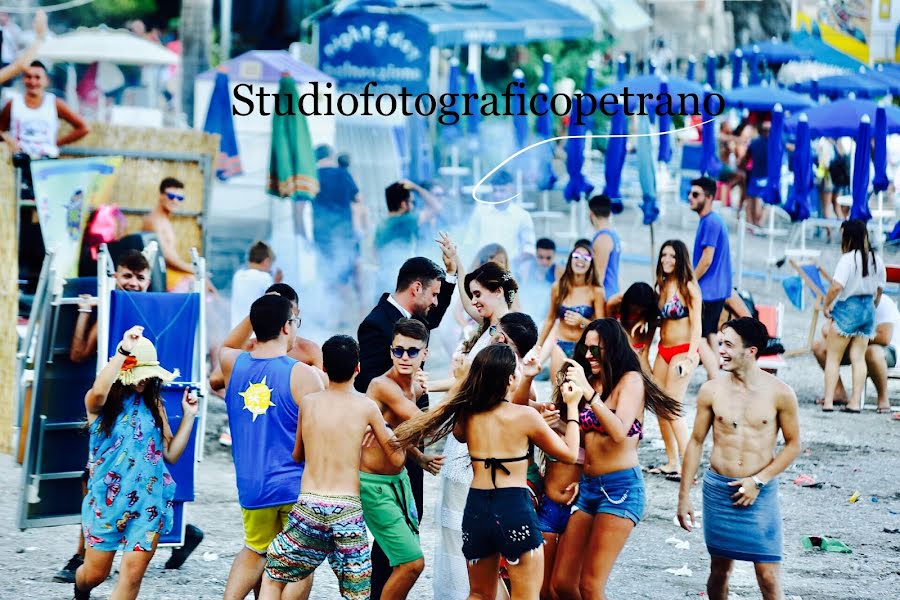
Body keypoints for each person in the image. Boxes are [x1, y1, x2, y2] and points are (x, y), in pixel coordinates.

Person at [394, 344, 582, 600]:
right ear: (510, 379)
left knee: (479, 595)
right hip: (514, 507)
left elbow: (459, 435)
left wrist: (462, 383)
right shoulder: (525, 416)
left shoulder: (468, 415)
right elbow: (570, 453)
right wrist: (572, 408)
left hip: (477, 508)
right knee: (526, 596)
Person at [261, 335, 404, 600]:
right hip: (347, 508)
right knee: (357, 592)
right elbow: (397, 461)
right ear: (358, 368)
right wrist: (384, 431)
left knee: (274, 575)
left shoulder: (309, 402)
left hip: (309, 505)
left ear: (324, 368)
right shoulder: (367, 407)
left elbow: (297, 454)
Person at [550, 319, 681, 600]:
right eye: (586, 349)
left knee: (590, 585)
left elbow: (619, 431)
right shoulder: (594, 380)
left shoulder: (630, 381)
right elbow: (589, 437)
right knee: (561, 583)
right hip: (588, 487)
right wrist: (556, 423)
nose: (587, 356)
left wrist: (588, 393)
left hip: (620, 490)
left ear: (612, 349)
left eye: (595, 350)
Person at [357, 239, 458, 599]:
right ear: (416, 288)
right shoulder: (376, 324)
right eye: (432, 293)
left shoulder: (413, 324)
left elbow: (432, 320)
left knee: (405, 529)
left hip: (409, 445)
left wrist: (450, 276)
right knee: (395, 535)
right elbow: (367, 385)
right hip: (387, 448)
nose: (435, 301)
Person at [678, 318, 801, 600]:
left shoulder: (780, 394)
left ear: (751, 351)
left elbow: (794, 445)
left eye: (728, 345)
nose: (720, 350)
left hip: (760, 492)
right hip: (720, 491)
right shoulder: (711, 390)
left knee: (768, 576)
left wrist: (758, 481)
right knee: (720, 571)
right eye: (721, 343)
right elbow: (696, 441)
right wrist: (683, 496)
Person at [74, 326, 198, 600]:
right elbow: (98, 390)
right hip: (107, 502)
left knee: (132, 577)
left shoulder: (155, 404)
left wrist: (189, 417)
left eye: (148, 376)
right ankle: (79, 591)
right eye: (139, 375)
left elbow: (171, 454)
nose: (144, 382)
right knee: (94, 574)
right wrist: (123, 352)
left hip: (148, 503)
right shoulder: (100, 405)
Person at [219, 295, 326, 600]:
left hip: (252, 485)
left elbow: (228, 344)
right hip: (294, 485)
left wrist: (258, 310)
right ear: (286, 327)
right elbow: (319, 436)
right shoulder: (303, 375)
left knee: (255, 549)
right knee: (299, 560)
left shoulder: (232, 364)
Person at [361, 319, 444, 599]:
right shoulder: (383, 385)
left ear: (425, 354)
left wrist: (419, 458)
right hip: (373, 485)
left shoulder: (414, 387)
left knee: (398, 559)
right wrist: (461, 391)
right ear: (390, 351)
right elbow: (424, 423)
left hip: (397, 481)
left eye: (412, 351)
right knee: (411, 562)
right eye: (398, 351)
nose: (404, 358)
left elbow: (398, 433)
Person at [650, 240, 703, 480]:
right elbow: (659, 319)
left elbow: (697, 326)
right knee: (660, 407)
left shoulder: (689, 287)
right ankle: (672, 461)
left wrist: (691, 358)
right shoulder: (661, 285)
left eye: (672, 256)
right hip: (663, 349)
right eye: (664, 255)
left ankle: (689, 467)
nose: (667, 260)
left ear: (681, 258)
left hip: (683, 351)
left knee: (672, 408)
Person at [821, 220, 887, 413]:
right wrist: (873, 305)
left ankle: (828, 402)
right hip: (867, 308)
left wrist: (827, 305)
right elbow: (880, 288)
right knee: (858, 357)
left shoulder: (848, 259)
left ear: (847, 237)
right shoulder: (877, 259)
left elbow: (836, 287)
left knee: (833, 357)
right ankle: (855, 402)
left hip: (847, 308)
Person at [813, 294, 898, 413]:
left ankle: (883, 398)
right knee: (819, 346)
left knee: (871, 352)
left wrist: (855, 335)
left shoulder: (884, 303)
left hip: (886, 349)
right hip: (855, 345)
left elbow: (884, 338)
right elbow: (826, 330)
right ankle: (838, 392)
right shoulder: (848, 301)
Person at [537, 242, 606, 378]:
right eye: (576, 256)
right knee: (557, 389)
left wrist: (583, 321)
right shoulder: (558, 287)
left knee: (580, 390)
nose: (580, 260)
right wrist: (538, 347)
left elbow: (602, 326)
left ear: (591, 263)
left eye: (585, 258)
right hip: (560, 344)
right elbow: (550, 319)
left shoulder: (596, 291)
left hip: (583, 347)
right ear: (570, 260)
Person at [689, 176, 733, 381]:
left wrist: (689, 281)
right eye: (689, 193)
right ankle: (719, 376)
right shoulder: (711, 221)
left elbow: (707, 259)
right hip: (716, 290)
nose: (690, 197)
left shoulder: (710, 222)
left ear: (708, 197)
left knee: (699, 336)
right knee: (711, 335)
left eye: (695, 194)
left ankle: (715, 378)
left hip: (708, 291)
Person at [374, 180, 443, 289]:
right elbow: (436, 207)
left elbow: (375, 253)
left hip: (382, 280)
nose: (413, 206)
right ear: (403, 204)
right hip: (399, 283)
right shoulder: (405, 221)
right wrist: (416, 187)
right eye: (411, 202)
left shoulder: (381, 224)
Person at [312, 144, 363, 292]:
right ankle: (344, 312)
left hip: (321, 234)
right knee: (344, 276)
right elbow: (358, 198)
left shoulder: (312, 176)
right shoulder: (343, 174)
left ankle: (329, 311)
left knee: (326, 276)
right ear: (331, 156)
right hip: (343, 233)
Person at [463, 170, 536, 267]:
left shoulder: (522, 215)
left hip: (508, 270)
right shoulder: (480, 212)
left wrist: (512, 263)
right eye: (495, 190)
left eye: (502, 190)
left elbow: (529, 247)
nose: (497, 195)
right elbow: (469, 242)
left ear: (511, 189)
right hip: (481, 268)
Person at [141, 178, 199, 292]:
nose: (175, 201)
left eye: (180, 198)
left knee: (204, 283)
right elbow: (166, 257)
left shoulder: (164, 219)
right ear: (161, 195)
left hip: (169, 271)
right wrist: (192, 269)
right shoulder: (155, 220)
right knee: (198, 282)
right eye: (171, 196)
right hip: (161, 275)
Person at [606, 282, 659, 373]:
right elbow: (609, 327)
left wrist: (644, 318)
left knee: (647, 377)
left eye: (642, 309)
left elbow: (653, 325)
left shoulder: (649, 304)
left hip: (640, 346)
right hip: (620, 347)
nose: (638, 311)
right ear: (628, 302)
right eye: (635, 308)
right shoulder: (614, 304)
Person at [230, 241, 280, 329]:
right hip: (257, 335)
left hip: (236, 333)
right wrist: (278, 283)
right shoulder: (264, 277)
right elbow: (276, 304)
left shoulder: (238, 276)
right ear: (267, 261)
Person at [588, 194, 622, 296]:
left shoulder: (602, 239)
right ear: (609, 213)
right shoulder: (614, 236)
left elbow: (598, 276)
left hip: (604, 298)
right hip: (613, 292)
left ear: (591, 214)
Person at [739, 121, 769, 227]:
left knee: (752, 199)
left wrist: (742, 167)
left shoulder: (754, 143)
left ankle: (752, 223)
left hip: (754, 174)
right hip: (764, 175)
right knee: (759, 200)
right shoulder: (773, 144)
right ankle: (756, 223)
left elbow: (745, 158)